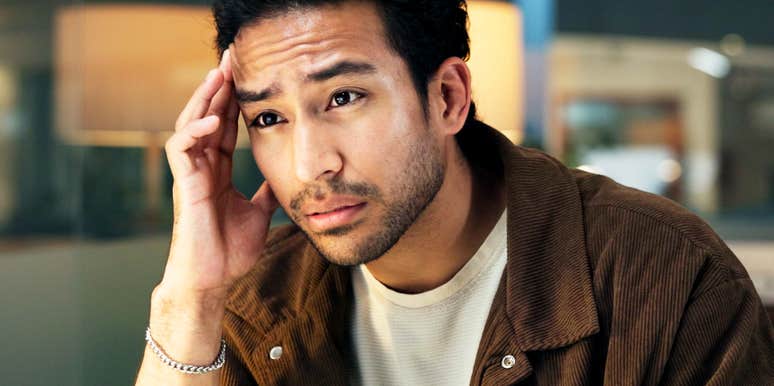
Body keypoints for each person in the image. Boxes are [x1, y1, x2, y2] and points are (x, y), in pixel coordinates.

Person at [134, 1, 774, 385]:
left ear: (447, 98)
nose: (309, 165)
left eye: (343, 97)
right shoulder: (254, 297)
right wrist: (190, 301)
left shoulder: (666, 273)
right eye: (269, 119)